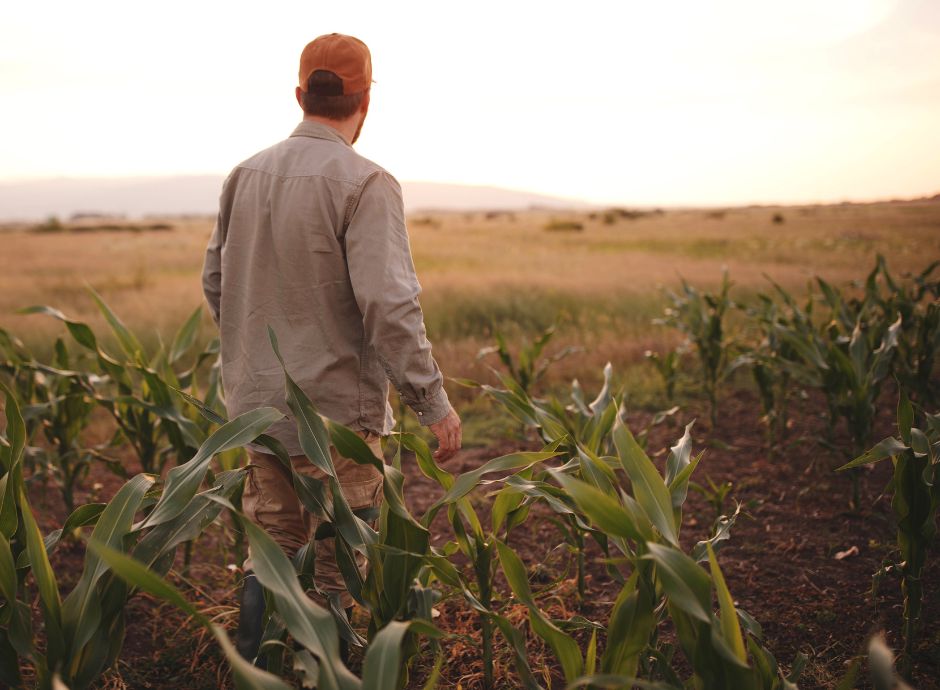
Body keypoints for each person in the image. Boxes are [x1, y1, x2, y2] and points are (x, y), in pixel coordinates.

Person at [201, 32, 461, 662]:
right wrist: (433, 403)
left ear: (299, 94)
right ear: (365, 98)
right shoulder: (366, 182)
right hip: (337, 422)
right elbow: (389, 304)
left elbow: (216, 281)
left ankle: (257, 671)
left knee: (271, 551)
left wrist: (255, 359)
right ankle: (330, 672)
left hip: (257, 412)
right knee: (335, 564)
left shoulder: (245, 173)